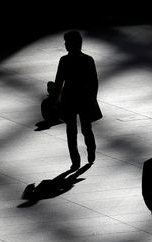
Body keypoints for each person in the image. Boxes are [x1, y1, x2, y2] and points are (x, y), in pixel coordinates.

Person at [54, 30, 102, 169]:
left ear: (74, 43)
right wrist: (93, 97)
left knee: (71, 131)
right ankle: (91, 151)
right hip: (84, 98)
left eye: (67, 42)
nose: (65, 45)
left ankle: (75, 161)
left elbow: (59, 82)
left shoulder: (64, 60)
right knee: (86, 128)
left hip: (69, 99)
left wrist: (55, 99)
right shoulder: (88, 60)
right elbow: (94, 81)